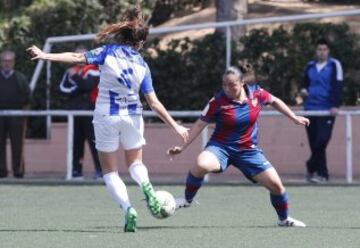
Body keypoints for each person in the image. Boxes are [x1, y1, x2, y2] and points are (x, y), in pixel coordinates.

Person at [27, 6, 188, 232]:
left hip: (106, 117)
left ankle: (128, 209)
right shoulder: (143, 66)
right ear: (140, 43)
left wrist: (45, 55)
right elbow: (154, 103)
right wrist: (175, 125)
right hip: (133, 117)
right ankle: (147, 187)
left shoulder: (108, 51)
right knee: (136, 163)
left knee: (110, 172)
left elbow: (76, 57)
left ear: (122, 35)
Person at [168, 66, 308, 227]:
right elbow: (200, 124)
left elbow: (275, 101)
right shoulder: (217, 101)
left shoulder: (256, 94)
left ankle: (283, 220)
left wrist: (294, 117)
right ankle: (187, 199)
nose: (227, 88)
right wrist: (182, 147)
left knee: (277, 186)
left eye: (231, 84)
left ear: (242, 82)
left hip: (248, 151)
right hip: (220, 148)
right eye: (224, 85)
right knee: (201, 164)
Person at [300, 38, 343, 183]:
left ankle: (310, 166)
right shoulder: (310, 66)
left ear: (328, 51)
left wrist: (335, 105)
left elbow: (338, 86)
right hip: (310, 109)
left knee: (322, 141)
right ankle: (322, 175)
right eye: (319, 49)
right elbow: (304, 85)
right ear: (316, 51)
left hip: (326, 110)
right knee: (314, 144)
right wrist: (304, 91)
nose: (322, 52)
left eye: (324, 49)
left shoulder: (335, 65)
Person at [59, 47, 102, 180]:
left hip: (90, 112)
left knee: (95, 143)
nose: (78, 58)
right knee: (76, 143)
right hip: (74, 112)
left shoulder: (94, 69)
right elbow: (62, 89)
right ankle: (76, 171)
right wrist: (77, 88)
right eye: (76, 55)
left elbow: (88, 85)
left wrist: (76, 78)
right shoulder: (70, 71)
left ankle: (100, 171)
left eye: (82, 55)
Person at [0, 50, 31, 178]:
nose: (7, 63)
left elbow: (28, 98)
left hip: (16, 116)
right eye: (4, 61)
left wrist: (25, 114)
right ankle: (1, 171)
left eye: (9, 61)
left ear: (14, 62)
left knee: (17, 144)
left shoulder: (20, 78)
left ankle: (18, 171)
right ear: (1, 62)